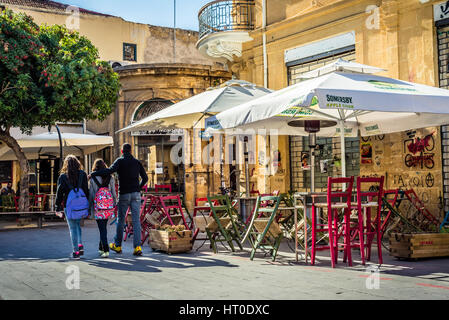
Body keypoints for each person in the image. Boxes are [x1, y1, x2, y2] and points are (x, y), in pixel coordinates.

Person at [90, 143, 148, 256]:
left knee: (121, 220)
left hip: (124, 194)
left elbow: (109, 171)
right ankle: (137, 247)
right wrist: (138, 187)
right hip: (136, 194)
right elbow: (145, 178)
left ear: (122, 151)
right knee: (136, 221)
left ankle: (117, 245)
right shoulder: (137, 162)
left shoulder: (120, 161)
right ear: (131, 151)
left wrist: (94, 173)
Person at [55, 155, 89, 259]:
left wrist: (57, 207)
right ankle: (80, 244)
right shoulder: (83, 174)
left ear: (66, 165)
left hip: (68, 205)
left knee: (72, 228)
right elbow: (86, 190)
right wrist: (86, 204)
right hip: (81, 205)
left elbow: (59, 192)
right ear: (77, 163)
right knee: (78, 225)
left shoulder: (63, 177)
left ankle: (76, 251)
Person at [89, 159, 117, 258]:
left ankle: (106, 249)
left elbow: (92, 195)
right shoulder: (111, 177)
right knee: (103, 228)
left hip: (98, 207)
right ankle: (101, 248)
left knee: (102, 229)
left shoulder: (92, 178)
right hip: (108, 207)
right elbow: (113, 193)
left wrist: (90, 208)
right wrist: (114, 204)